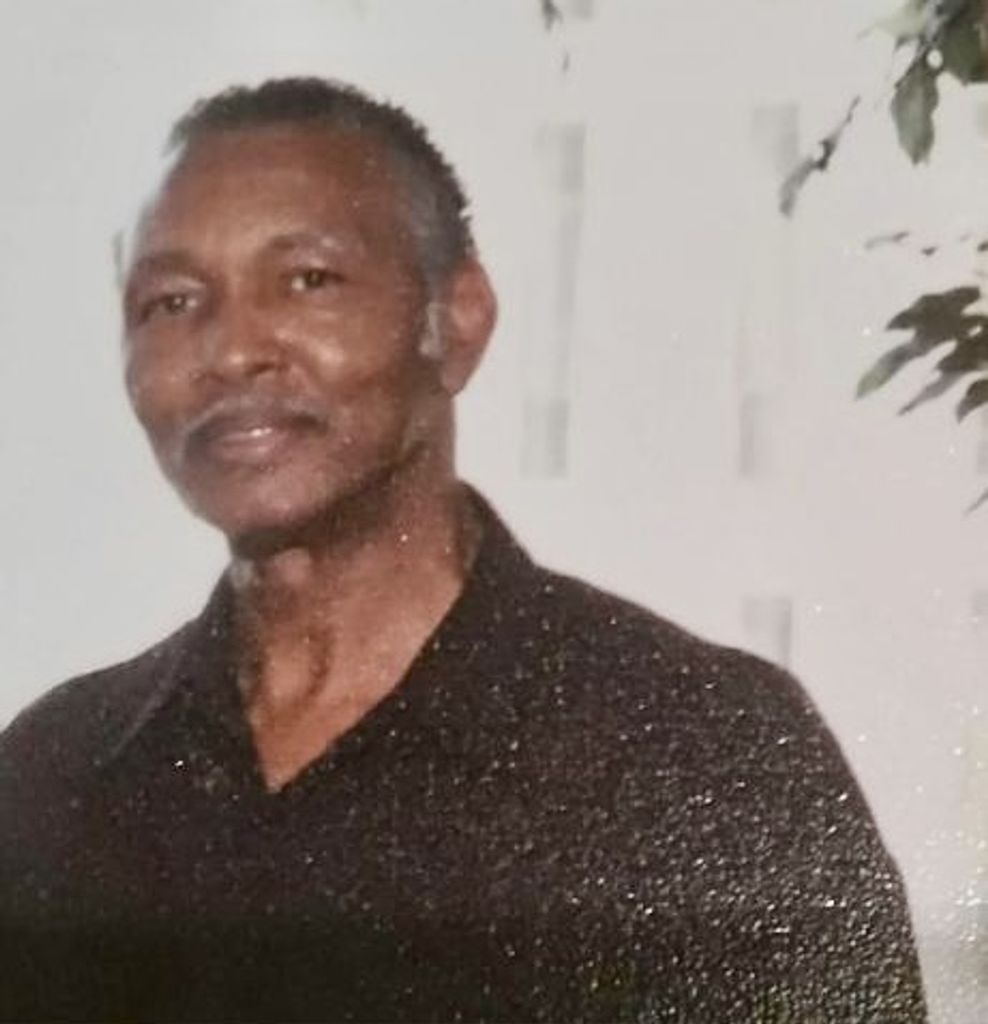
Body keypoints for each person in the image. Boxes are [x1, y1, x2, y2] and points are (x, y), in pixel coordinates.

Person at [0, 77, 926, 1022]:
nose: (232, 351)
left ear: (457, 322)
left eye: (308, 280)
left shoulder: (701, 754)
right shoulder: (51, 776)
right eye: (171, 302)